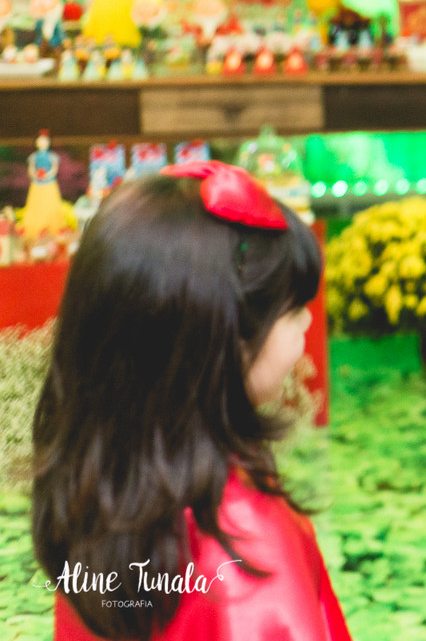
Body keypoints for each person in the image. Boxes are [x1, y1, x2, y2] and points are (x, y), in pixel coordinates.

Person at [31, 161, 352, 641]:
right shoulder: (246, 542)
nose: (307, 326)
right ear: (219, 342)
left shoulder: (97, 496)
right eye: (292, 311)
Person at [22, 130, 68, 241]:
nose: (42, 143)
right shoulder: (34, 156)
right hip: (37, 184)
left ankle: (54, 231)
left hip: (49, 183)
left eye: (45, 141)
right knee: (36, 206)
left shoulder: (52, 156)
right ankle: (33, 233)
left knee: (51, 204)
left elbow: (54, 168)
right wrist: (36, 174)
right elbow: (31, 169)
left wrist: (47, 174)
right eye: (40, 141)